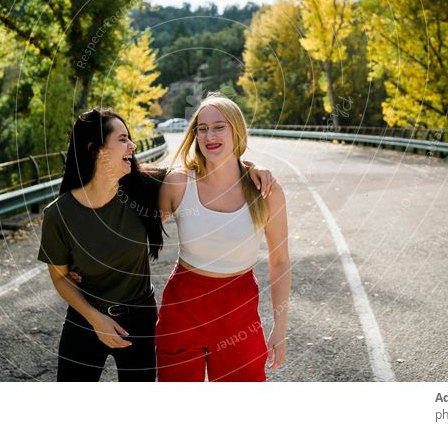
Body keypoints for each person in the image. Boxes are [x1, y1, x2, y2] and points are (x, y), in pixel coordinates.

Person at [37, 107, 275, 382]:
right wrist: (95, 318)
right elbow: (60, 278)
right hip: (84, 321)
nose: (133, 145)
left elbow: (209, 167)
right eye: (123, 139)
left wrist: (252, 167)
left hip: (140, 320)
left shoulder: (143, 186)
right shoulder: (58, 215)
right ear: (95, 149)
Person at [156, 93, 291, 382]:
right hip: (183, 306)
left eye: (219, 127)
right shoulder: (179, 183)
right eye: (202, 129)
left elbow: (279, 261)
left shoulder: (266, 191)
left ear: (236, 130)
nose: (209, 135)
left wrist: (280, 327)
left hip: (238, 309)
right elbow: (139, 233)